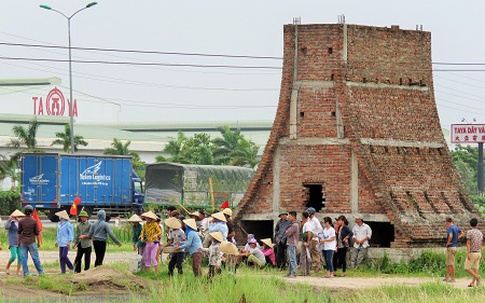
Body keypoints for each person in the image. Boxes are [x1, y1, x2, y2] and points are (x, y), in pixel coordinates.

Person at [17, 205, 44, 276]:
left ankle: (25, 273)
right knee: (35, 258)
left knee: (24, 258)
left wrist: (18, 242)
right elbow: (37, 233)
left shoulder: (21, 221)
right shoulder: (34, 221)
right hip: (32, 241)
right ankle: (41, 272)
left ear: (24, 212)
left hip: (23, 242)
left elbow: (19, 232)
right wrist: (38, 242)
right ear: (32, 212)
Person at [5, 209, 25, 275]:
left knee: (20, 257)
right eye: (18, 216)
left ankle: (18, 271)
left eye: (20, 216)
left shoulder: (21, 223)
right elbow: (6, 227)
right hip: (12, 241)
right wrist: (10, 220)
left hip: (20, 241)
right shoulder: (11, 222)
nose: (20, 218)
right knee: (13, 256)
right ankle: (7, 267)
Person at [444, 216, 464, 282]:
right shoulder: (456, 227)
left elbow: (450, 236)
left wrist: (448, 242)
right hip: (455, 247)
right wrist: (457, 238)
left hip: (451, 247)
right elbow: (462, 233)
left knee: (451, 263)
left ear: (447, 221)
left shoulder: (450, 228)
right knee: (449, 263)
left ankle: (453, 278)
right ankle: (447, 277)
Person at [465, 218, 483, 287]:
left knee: (467, 268)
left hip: (473, 252)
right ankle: (473, 283)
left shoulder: (469, 232)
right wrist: (481, 253)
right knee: (475, 268)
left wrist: (468, 253)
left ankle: (477, 277)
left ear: (470, 224)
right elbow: (481, 244)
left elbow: (468, 242)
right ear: (477, 225)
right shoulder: (480, 233)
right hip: (478, 252)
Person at [306, 207, 324, 272]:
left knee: (315, 252)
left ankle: (318, 265)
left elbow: (320, 229)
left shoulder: (315, 220)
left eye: (308, 212)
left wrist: (316, 234)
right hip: (308, 238)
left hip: (314, 239)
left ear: (311, 213)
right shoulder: (308, 219)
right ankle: (312, 265)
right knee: (310, 252)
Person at [285, 211, 299, 278]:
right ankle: (289, 272)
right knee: (290, 259)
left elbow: (288, 233)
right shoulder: (293, 224)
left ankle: (294, 272)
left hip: (292, 243)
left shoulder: (294, 225)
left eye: (290, 216)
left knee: (292, 258)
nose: (289, 217)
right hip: (290, 243)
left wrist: (287, 231)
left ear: (293, 217)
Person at [300, 210, 313, 276]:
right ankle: (307, 271)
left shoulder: (307, 224)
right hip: (307, 241)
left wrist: (307, 242)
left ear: (303, 217)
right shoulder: (306, 224)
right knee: (307, 256)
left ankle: (303, 271)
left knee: (303, 256)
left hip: (306, 241)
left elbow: (309, 232)